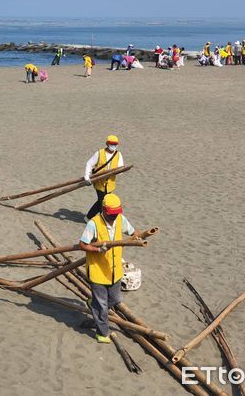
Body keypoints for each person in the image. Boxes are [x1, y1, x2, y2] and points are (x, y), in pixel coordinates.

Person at [78, 193, 144, 343]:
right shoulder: (93, 224)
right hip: (98, 270)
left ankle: (92, 304)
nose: (114, 217)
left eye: (116, 213)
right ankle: (102, 333)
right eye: (112, 214)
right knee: (102, 305)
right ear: (104, 210)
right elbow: (82, 244)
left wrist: (140, 236)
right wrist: (97, 250)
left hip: (115, 270)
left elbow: (134, 232)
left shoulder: (121, 219)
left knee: (115, 299)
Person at [84, 135, 124, 220]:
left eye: (115, 144)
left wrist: (119, 171)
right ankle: (98, 218)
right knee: (102, 201)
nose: (113, 146)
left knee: (102, 201)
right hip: (99, 183)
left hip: (110, 184)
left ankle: (90, 217)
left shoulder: (118, 154)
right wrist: (87, 176)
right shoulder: (99, 153)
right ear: (107, 143)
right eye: (111, 144)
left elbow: (121, 168)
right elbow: (89, 164)